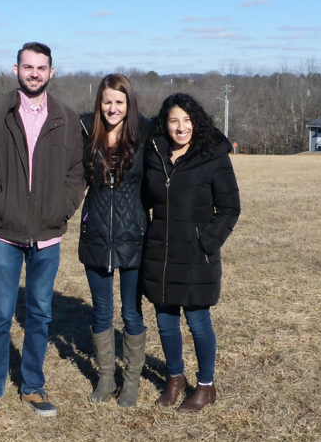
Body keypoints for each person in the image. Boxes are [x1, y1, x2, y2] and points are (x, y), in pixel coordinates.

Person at [0, 42, 84, 419]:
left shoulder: (65, 116)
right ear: (15, 69)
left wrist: (61, 208)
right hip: (4, 234)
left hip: (47, 236)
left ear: (51, 72)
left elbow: (76, 173)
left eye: (41, 67)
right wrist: (0, 209)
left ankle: (32, 385)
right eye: (28, 66)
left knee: (41, 313)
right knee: (0, 312)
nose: (34, 73)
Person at [141, 93, 240, 413]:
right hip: (161, 252)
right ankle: (174, 379)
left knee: (198, 322)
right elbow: (145, 198)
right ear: (165, 124)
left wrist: (206, 243)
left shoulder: (212, 155)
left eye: (187, 120)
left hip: (197, 254)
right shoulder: (155, 153)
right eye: (174, 120)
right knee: (166, 321)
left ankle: (206, 386)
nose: (181, 127)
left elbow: (229, 208)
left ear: (196, 122)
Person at [78, 74, 151, 407]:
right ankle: (106, 380)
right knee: (101, 313)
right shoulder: (84, 133)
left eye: (119, 101)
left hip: (133, 236)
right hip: (95, 236)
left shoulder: (145, 134)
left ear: (128, 104)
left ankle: (131, 382)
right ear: (99, 103)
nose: (112, 108)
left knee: (132, 314)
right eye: (107, 101)